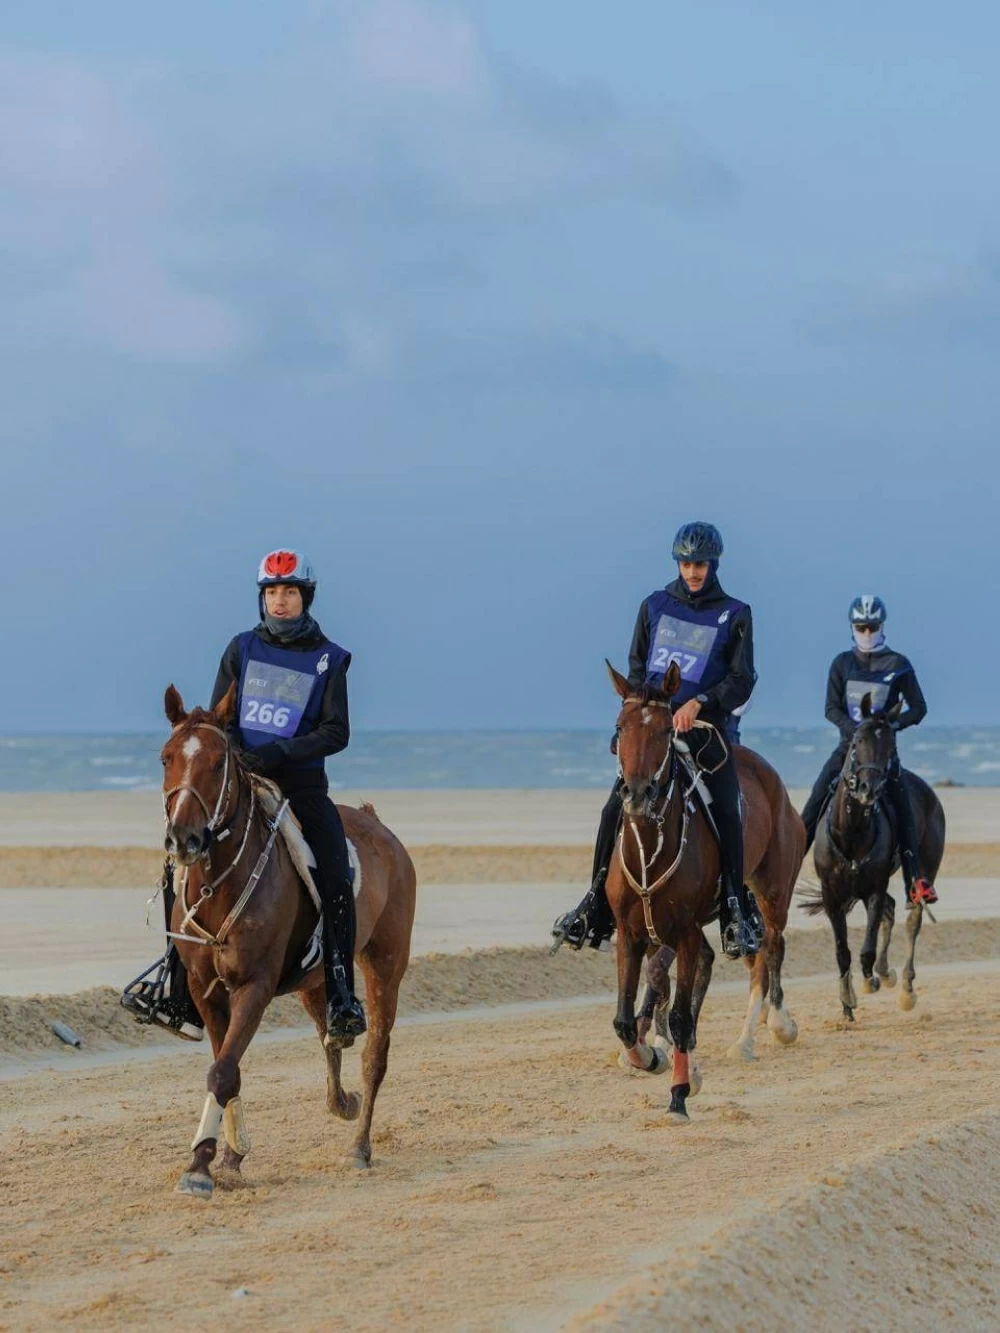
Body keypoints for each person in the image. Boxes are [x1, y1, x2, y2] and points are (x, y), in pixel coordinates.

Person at [122, 549, 367, 1046]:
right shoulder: (242, 648)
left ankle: (342, 996)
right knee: (180, 866)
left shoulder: (329, 658)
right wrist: (230, 762)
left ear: (305, 597)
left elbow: (335, 732)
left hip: (301, 788)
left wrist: (279, 753)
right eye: (272, 592)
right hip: (240, 783)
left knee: (336, 876)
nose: (280, 601)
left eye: (290, 592)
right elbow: (220, 720)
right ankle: (177, 987)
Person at [552, 521, 764, 960]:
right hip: (654, 732)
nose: (693, 572)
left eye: (700, 564)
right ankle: (594, 905)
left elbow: (742, 679)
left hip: (705, 733)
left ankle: (733, 908)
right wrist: (638, 715)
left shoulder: (735, 613)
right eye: (686, 564)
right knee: (613, 808)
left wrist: (700, 702)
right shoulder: (654, 606)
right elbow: (636, 670)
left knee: (728, 808)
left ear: (714, 564)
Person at [800, 594, 937, 906]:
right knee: (814, 803)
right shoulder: (842, 664)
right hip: (847, 750)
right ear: (852, 627)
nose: (866, 632)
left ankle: (914, 883)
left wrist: (889, 728)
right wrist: (856, 731)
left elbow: (919, 708)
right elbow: (831, 708)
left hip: (883, 756)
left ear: (881, 626)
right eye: (861, 627)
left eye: (872, 627)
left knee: (905, 811)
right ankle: (788, 869)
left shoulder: (899, 665)